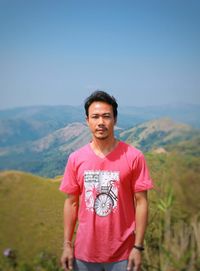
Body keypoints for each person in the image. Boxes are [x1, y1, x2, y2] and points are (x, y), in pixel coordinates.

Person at [59, 90, 153, 271]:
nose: (101, 122)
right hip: (84, 254)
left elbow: (142, 203)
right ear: (87, 121)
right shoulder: (75, 159)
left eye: (106, 116)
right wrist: (67, 245)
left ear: (115, 120)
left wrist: (138, 247)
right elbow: (71, 203)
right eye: (95, 117)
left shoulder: (134, 157)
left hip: (124, 254)